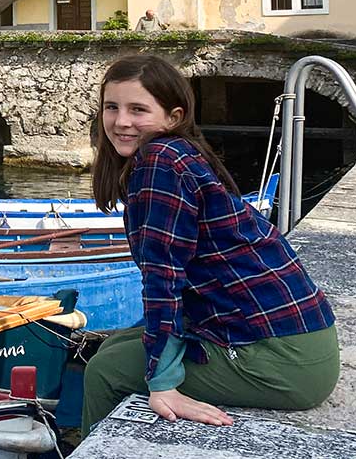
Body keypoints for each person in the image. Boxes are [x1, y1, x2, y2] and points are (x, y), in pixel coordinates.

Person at [81, 54, 338, 435]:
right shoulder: (179, 153)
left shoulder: (160, 162)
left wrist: (164, 383)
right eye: (112, 107)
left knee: (105, 371)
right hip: (299, 339)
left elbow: (163, 277)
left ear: (173, 117)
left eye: (138, 109)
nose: (121, 122)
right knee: (114, 348)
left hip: (283, 359)